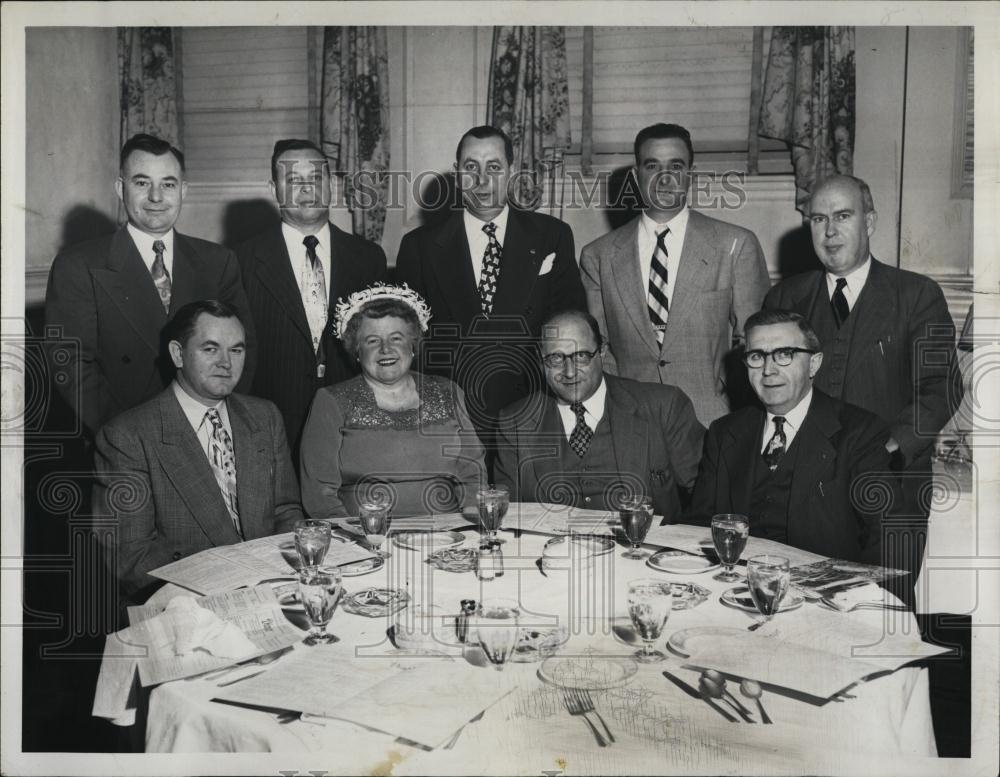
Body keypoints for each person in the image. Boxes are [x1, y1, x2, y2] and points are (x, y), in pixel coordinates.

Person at [763, 175, 963, 576]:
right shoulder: (785, 298)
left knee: (882, 613)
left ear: (869, 222)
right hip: (801, 493)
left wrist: (886, 449)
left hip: (889, 491)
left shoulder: (917, 295)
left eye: (843, 216)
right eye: (818, 219)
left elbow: (941, 388)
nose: (830, 231)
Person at [395, 125, 587, 465]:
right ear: (457, 174)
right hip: (451, 420)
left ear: (511, 172)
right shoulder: (419, 247)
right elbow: (411, 346)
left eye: (494, 167)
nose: (482, 179)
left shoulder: (551, 236)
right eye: (471, 167)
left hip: (531, 412)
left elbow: (570, 328)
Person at [45, 133, 256, 439]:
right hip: (124, 438)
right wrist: (130, 435)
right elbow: (71, 366)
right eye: (142, 183)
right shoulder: (78, 265)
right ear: (121, 188)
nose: (156, 197)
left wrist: (216, 417)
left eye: (168, 184)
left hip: (206, 434)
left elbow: (244, 350)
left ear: (183, 190)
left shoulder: (218, 261)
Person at [92, 300, 302, 602]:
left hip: (275, 588)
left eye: (236, 350)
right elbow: (131, 558)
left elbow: (286, 511)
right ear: (178, 354)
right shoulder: (127, 437)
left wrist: (280, 574)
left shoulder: (265, 416)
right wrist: (236, 585)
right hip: (188, 602)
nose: (226, 363)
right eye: (210, 349)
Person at [580, 123, 770, 426]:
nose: (665, 178)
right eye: (652, 165)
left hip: (714, 420)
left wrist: (728, 396)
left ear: (691, 174)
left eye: (676, 166)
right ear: (636, 176)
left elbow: (756, 342)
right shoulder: (598, 256)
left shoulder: (735, 245)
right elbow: (598, 347)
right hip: (631, 422)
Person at [688, 309, 898, 564]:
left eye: (784, 355)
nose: (768, 370)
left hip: (823, 596)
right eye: (757, 356)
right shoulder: (724, 432)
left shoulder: (859, 432)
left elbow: (889, 538)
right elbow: (697, 527)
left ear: (814, 363)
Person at [238, 139, 388, 461]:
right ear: (273, 188)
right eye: (293, 180)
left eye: (316, 178)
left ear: (331, 184)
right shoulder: (242, 260)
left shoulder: (368, 258)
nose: (307, 189)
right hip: (272, 430)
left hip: (351, 429)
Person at [494, 309, 704, 521]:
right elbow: (510, 518)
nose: (569, 372)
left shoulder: (662, 407)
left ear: (602, 350)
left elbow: (706, 502)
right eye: (556, 358)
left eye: (581, 356)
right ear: (540, 360)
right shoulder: (516, 423)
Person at [299, 284, 485, 518]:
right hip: (366, 539)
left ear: (413, 345)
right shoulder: (331, 401)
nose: (386, 349)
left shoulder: (447, 391)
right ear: (357, 350)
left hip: (448, 534)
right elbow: (319, 494)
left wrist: (469, 523)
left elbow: (472, 472)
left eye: (396, 338)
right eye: (372, 341)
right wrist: (356, 540)